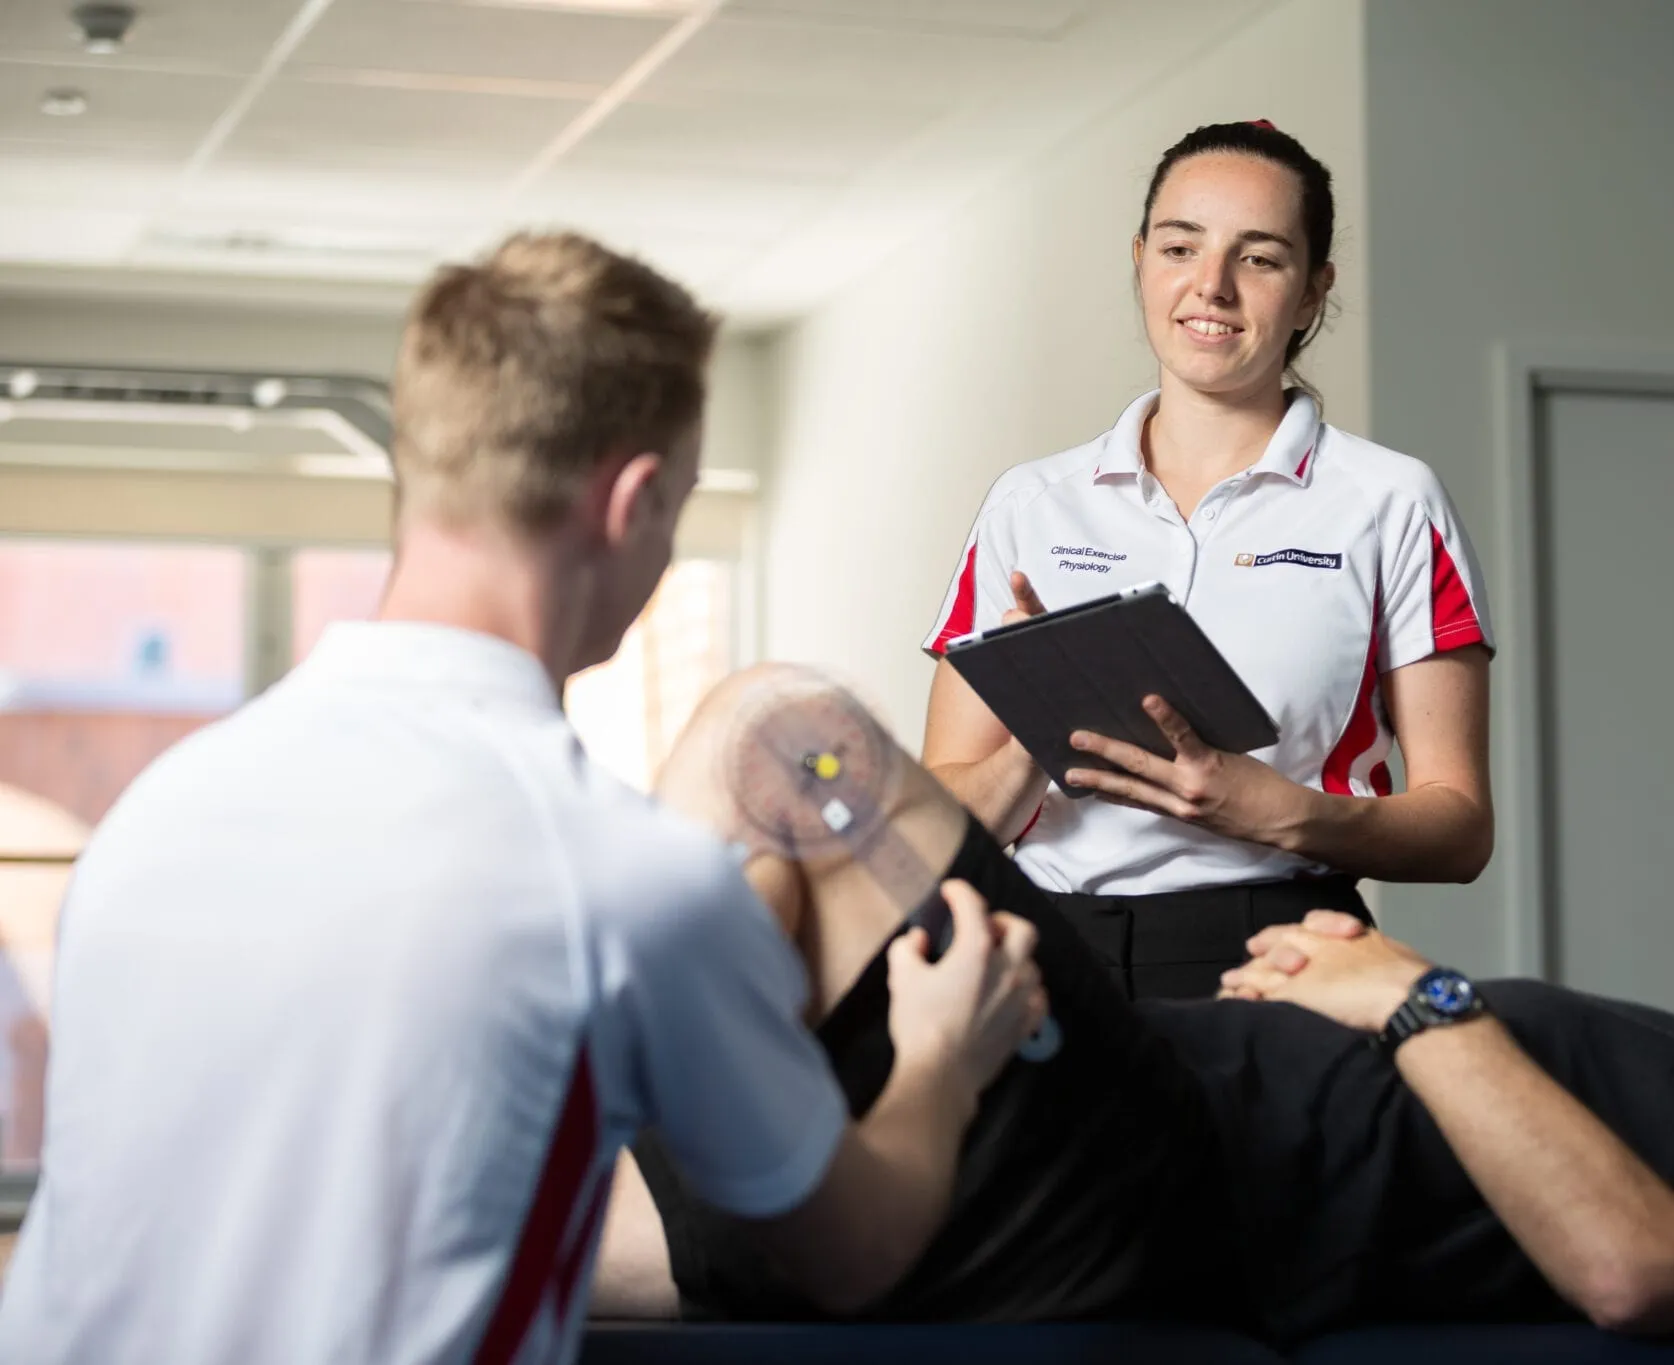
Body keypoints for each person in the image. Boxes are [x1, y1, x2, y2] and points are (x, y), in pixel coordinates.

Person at [0, 233, 1045, 1364]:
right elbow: (857, 1251)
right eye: (683, 501)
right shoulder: (623, 881)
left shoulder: (157, 815)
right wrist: (945, 1049)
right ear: (634, 499)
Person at [605, 666, 1674, 1342]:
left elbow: (1641, 1270)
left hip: (1146, 1157)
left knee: (789, 746)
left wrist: (1410, 993)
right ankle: (691, 1133)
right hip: (1108, 1134)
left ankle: (633, 1057)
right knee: (767, 901)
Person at [921, 120, 1494, 1000]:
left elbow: (1460, 829)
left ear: (1311, 292)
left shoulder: (1391, 500)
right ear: (1142, 258)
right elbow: (939, 823)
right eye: (1181, 246)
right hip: (1048, 953)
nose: (1210, 286)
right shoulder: (1031, 505)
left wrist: (1286, 812)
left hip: (1282, 950)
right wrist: (1040, 732)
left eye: (1259, 258)